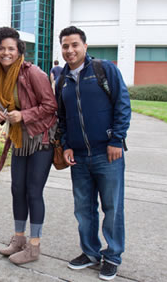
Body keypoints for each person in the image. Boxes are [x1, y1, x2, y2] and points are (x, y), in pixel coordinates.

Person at [56, 26, 131, 281]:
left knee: (112, 207)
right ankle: (90, 253)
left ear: (85, 46)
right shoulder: (63, 79)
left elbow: (122, 103)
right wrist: (66, 144)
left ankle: (112, 256)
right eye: (65, 46)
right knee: (84, 209)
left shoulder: (104, 69)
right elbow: (62, 117)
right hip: (78, 157)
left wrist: (117, 140)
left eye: (74, 44)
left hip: (107, 153)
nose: (70, 50)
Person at [0, 27, 58, 265]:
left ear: (19, 51)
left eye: (11, 48)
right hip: (19, 139)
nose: (6, 53)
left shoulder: (33, 73)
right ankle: (18, 239)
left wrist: (24, 115)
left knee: (33, 191)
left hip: (40, 139)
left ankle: (34, 247)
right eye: (1, 48)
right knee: (17, 189)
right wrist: (0, 114)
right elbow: (1, 104)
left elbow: (51, 106)